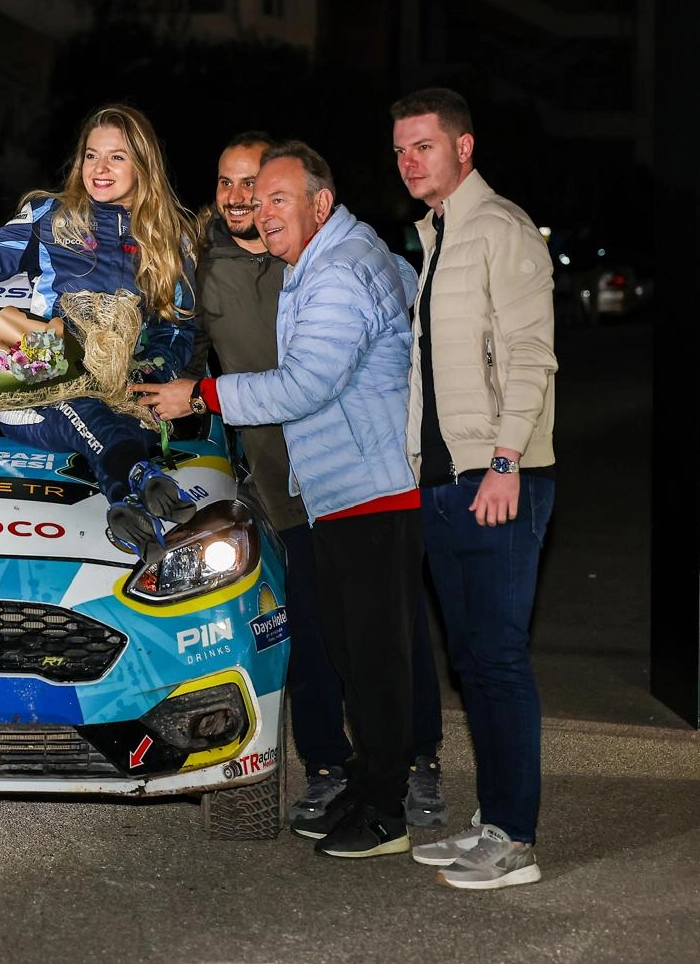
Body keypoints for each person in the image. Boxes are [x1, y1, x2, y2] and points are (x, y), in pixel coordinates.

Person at [135, 141, 422, 860]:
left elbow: (304, 384)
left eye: (277, 199)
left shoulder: (339, 271)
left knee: (375, 660)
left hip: (372, 490)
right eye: (255, 200)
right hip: (342, 490)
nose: (261, 212)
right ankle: (368, 784)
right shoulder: (323, 260)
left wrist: (200, 395)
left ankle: (387, 811)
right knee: (352, 652)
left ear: (321, 204)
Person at [390, 88, 557, 890]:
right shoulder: (438, 236)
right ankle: (493, 820)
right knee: (472, 660)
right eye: (399, 149)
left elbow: (531, 353)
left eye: (423, 145)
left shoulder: (500, 228)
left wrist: (505, 460)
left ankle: (515, 839)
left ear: (464, 148)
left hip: (498, 478)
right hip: (444, 481)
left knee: (497, 658)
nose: (408, 161)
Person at [0, 102, 197, 558]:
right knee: (84, 396)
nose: (99, 168)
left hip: (117, 391)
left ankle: (126, 496)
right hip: (34, 376)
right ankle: (136, 474)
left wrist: (152, 376)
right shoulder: (50, 217)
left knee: (115, 412)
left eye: (116, 157)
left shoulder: (171, 238)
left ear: (143, 164)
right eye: (91, 155)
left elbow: (174, 331)